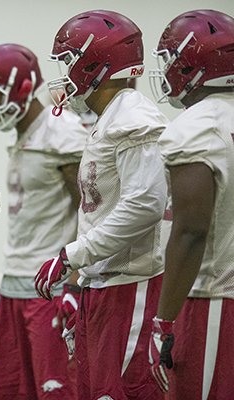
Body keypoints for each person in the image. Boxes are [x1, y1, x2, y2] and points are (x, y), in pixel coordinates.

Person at [33, 10, 170, 400]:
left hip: (131, 285)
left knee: (122, 392)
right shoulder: (110, 118)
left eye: (70, 60)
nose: (66, 72)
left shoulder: (134, 118)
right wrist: (80, 279)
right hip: (106, 283)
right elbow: (99, 211)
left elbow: (145, 203)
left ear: (96, 63)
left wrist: (72, 255)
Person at [0, 43, 89, 399]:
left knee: (56, 392)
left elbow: (89, 211)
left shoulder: (61, 132)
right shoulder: (25, 134)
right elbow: (31, 218)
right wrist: (5, 277)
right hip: (17, 285)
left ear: (20, 89)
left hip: (49, 285)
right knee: (11, 392)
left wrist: (76, 282)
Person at [147, 9, 234, 399]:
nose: (166, 70)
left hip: (213, 299)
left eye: (171, 59)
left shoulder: (197, 126)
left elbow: (191, 231)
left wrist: (163, 319)